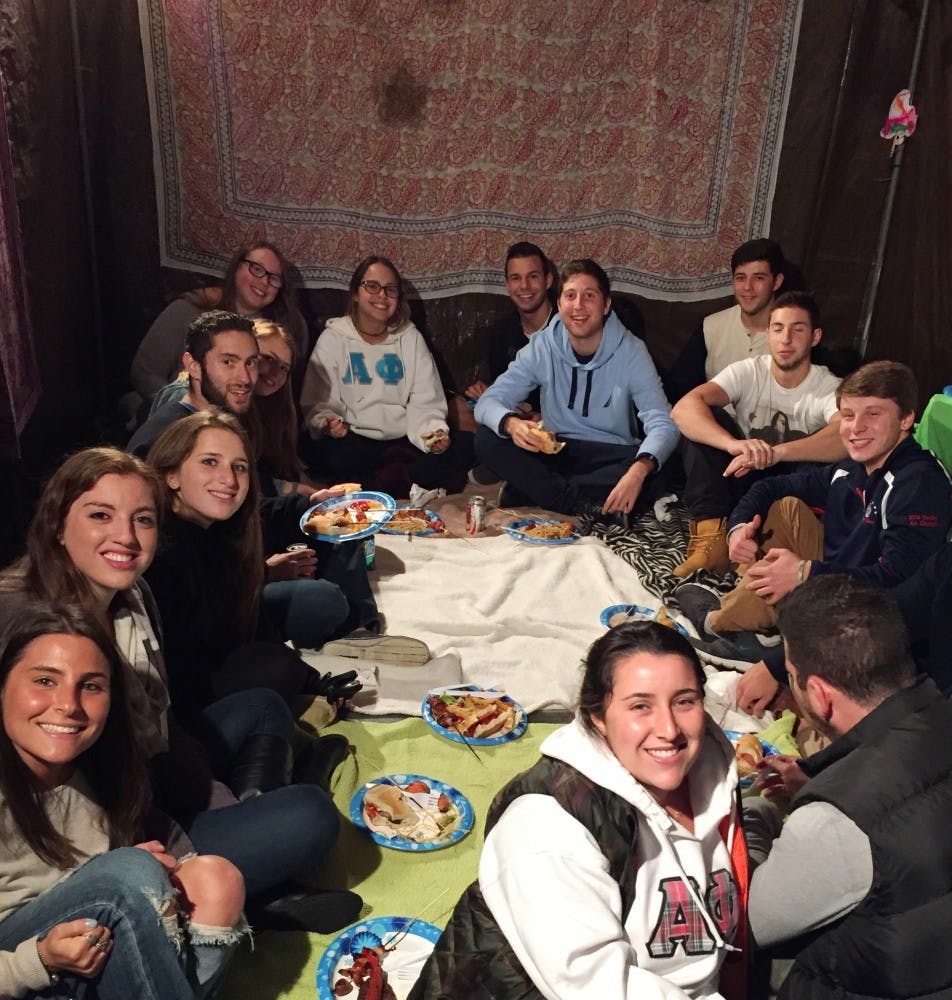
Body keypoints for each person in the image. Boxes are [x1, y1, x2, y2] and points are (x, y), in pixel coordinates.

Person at [0, 446, 362, 933]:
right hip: (108, 835)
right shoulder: (27, 624)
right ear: (57, 525)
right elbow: (60, 818)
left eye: (142, 520)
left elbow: (163, 723)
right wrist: (144, 856)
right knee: (311, 815)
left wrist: (210, 793)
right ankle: (261, 886)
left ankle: (258, 841)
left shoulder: (132, 594)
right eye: (100, 515)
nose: (125, 537)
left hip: (150, 776)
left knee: (263, 706)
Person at [409, 621, 748, 1000]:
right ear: (598, 717)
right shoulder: (546, 829)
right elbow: (599, 987)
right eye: (641, 706)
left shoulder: (714, 775)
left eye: (684, 701)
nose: (668, 728)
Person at [0, 603, 247, 999]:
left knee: (216, 881)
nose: (69, 705)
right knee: (127, 877)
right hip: (23, 965)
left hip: (88, 944)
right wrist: (38, 960)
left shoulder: (100, 765)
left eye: (91, 685)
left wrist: (136, 865)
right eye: (45, 681)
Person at [743, 575, 952, 998]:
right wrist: (823, 777)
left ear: (819, 694)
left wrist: (755, 817)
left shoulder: (835, 822)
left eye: (792, 676)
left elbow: (751, 924)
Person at [129, 310, 382, 649]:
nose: (246, 377)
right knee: (322, 601)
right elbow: (179, 565)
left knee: (336, 519)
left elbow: (245, 510)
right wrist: (262, 572)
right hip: (209, 597)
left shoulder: (224, 420)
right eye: (228, 362)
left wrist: (308, 504)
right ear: (192, 365)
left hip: (237, 549)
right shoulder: (163, 437)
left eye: (250, 363)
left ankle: (362, 631)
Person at [680, 360, 952, 676]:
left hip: (869, 618)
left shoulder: (918, 483)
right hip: (838, 577)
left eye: (873, 414)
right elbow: (771, 486)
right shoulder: (852, 468)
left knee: (800, 551)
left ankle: (721, 624)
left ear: (906, 420)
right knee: (787, 508)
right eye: (848, 416)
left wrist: (806, 573)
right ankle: (761, 626)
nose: (856, 427)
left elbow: (901, 581)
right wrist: (738, 529)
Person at [474, 258, 679, 521]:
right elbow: (488, 402)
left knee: (661, 462)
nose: (578, 306)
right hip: (557, 450)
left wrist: (638, 472)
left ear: (606, 305)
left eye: (589, 296)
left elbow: (662, 421)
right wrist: (513, 425)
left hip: (611, 455)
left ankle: (538, 492)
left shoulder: (632, 351)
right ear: (559, 304)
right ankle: (579, 502)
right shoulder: (543, 346)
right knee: (487, 438)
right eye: (570, 296)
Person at [669, 292, 844, 577]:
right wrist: (735, 445)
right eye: (777, 329)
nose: (786, 339)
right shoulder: (749, 371)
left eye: (797, 329)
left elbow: (845, 437)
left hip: (791, 491)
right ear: (768, 333)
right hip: (741, 476)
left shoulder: (827, 386)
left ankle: (768, 546)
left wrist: (775, 453)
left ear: (815, 336)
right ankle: (712, 535)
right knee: (703, 421)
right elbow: (682, 410)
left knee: (833, 459)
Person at [299, 255, 475, 499]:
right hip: (353, 438)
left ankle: (373, 486)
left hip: (401, 439)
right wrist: (327, 422)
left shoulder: (410, 338)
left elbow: (425, 397)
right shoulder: (334, 338)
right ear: (355, 294)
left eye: (390, 289)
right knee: (329, 454)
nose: (382, 295)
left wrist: (432, 434)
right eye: (372, 286)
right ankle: (397, 482)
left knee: (466, 446)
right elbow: (318, 401)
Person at [129, 241, 307, 406]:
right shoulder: (188, 308)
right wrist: (182, 408)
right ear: (237, 267)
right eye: (256, 269)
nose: (264, 281)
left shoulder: (283, 329)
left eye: (274, 278)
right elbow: (144, 371)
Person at [666, 239, 786, 402]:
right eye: (740, 278)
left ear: (776, 282)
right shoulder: (710, 327)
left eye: (758, 278)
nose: (747, 287)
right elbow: (679, 389)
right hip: (714, 423)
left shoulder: (793, 334)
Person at [461, 241, 555, 416]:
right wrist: (488, 391)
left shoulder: (568, 324)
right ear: (507, 285)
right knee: (460, 408)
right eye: (516, 278)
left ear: (548, 280)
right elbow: (507, 387)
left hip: (562, 424)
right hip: (518, 421)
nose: (524, 286)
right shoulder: (502, 333)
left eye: (533, 276)